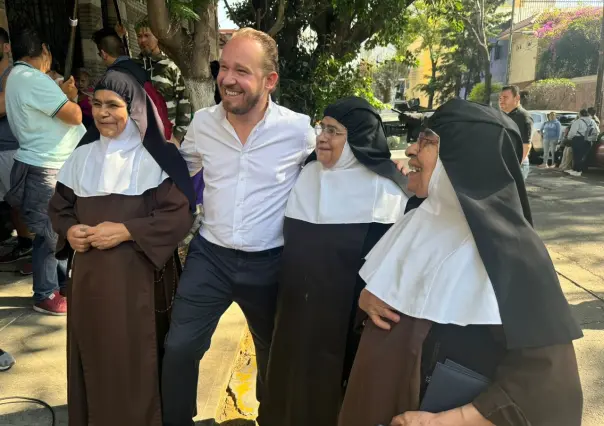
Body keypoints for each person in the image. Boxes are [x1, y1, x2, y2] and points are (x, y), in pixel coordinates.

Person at [338, 99, 583, 426]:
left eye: (426, 142)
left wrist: (452, 420)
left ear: (464, 156)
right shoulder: (419, 219)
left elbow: (546, 382)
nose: (411, 150)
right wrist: (367, 300)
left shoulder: (515, 253)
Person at [161, 28, 315, 426]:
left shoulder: (298, 131)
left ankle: (273, 418)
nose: (228, 79)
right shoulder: (202, 124)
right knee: (179, 348)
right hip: (210, 258)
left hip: (272, 262)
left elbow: (331, 174)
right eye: (224, 67)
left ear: (270, 81)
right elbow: (181, 173)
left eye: (242, 71)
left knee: (274, 356)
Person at [48, 68, 195, 426]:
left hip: (140, 283)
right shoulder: (81, 157)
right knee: (94, 357)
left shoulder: (158, 160)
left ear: (135, 110)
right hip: (90, 284)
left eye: (113, 105)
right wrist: (70, 231)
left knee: (136, 361)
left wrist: (127, 230)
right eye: (95, 104)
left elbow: (178, 216)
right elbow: (59, 207)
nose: (102, 113)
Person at [262, 97, 408, 426]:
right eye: (321, 128)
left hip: (346, 318)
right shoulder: (304, 174)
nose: (322, 137)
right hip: (296, 311)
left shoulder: (386, 190)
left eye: (334, 131)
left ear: (358, 138)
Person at [4, 27, 85, 315]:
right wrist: (71, 96)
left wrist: (59, 93)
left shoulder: (19, 77)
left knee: (57, 230)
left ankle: (60, 284)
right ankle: (45, 293)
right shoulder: (32, 79)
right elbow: (74, 116)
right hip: (46, 166)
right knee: (50, 235)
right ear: (44, 51)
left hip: (49, 163)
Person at [93, 28, 174, 141]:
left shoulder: (110, 80)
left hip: (134, 139)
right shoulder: (141, 68)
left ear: (103, 54)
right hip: (155, 131)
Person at [0, 27, 33, 269]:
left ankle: (35, 249)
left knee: (21, 202)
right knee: (10, 202)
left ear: (7, 47)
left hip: (14, 148)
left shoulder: (14, 75)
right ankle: (24, 243)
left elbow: (2, 106)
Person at [134, 18, 192, 141]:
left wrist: (177, 137)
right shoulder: (134, 66)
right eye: (139, 36)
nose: (142, 40)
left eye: (147, 35)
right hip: (140, 137)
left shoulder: (170, 66)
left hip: (168, 137)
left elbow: (184, 103)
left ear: (157, 37)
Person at [499, 85, 532, 179]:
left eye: (505, 97)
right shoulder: (504, 115)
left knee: (515, 193)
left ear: (517, 98)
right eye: (500, 98)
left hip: (517, 165)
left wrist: (516, 166)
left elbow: (526, 145)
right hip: (505, 163)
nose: (501, 100)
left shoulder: (523, 117)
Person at [565, 108, 598, 177]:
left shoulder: (578, 121)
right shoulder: (592, 121)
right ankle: (576, 169)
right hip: (588, 140)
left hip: (578, 139)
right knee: (583, 156)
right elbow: (597, 131)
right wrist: (592, 138)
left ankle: (577, 170)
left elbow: (572, 132)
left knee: (577, 156)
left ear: (580, 114)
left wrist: (569, 138)